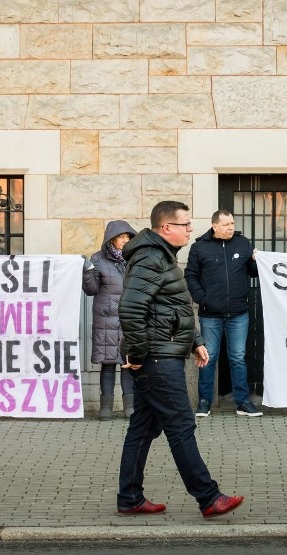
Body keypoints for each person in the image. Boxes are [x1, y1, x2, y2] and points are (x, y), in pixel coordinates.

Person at [116, 201, 244, 518]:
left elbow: (175, 307)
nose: (190, 228)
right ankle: (208, 497)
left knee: (142, 429)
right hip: (157, 359)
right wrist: (135, 354)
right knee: (181, 425)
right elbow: (131, 309)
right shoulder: (150, 257)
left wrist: (196, 341)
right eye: (185, 224)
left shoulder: (161, 256)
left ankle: (130, 498)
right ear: (166, 228)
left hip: (162, 354)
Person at [185, 209, 260, 418]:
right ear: (214, 226)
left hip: (238, 313)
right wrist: (203, 298)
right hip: (210, 314)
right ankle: (204, 401)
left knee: (238, 357)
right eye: (226, 225)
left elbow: (253, 273)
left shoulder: (243, 243)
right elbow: (190, 276)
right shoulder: (200, 247)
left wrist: (255, 261)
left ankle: (243, 402)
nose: (230, 228)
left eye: (232, 224)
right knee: (207, 357)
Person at [82, 220, 137, 420]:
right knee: (107, 364)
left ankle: (129, 407)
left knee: (128, 363)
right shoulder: (98, 259)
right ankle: (105, 407)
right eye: (121, 237)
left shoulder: (135, 258)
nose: (125, 241)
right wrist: (87, 271)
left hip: (130, 318)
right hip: (106, 320)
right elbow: (91, 290)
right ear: (111, 239)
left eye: (127, 237)